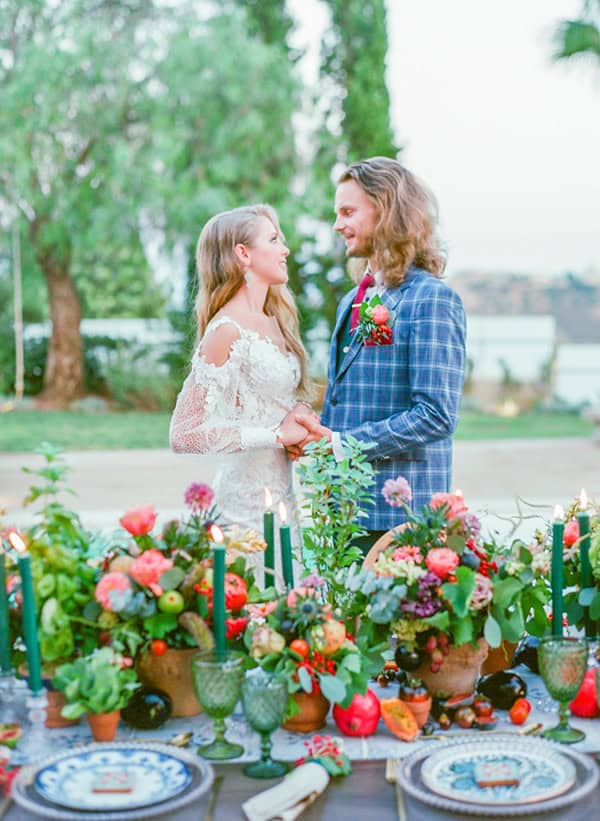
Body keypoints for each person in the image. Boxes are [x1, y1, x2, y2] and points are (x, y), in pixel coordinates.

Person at [289, 157, 467, 554]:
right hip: (344, 513)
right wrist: (315, 432)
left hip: (400, 518)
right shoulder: (352, 300)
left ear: (386, 211)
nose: (337, 225)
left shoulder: (432, 299)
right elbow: (352, 400)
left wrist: (341, 443)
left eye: (348, 212)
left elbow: (436, 415)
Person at [169, 204, 314, 578]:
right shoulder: (226, 331)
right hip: (244, 510)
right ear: (243, 254)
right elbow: (183, 434)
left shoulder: (273, 320)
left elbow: (269, 402)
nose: (285, 250)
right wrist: (276, 435)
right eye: (274, 240)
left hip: (284, 500)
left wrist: (298, 416)